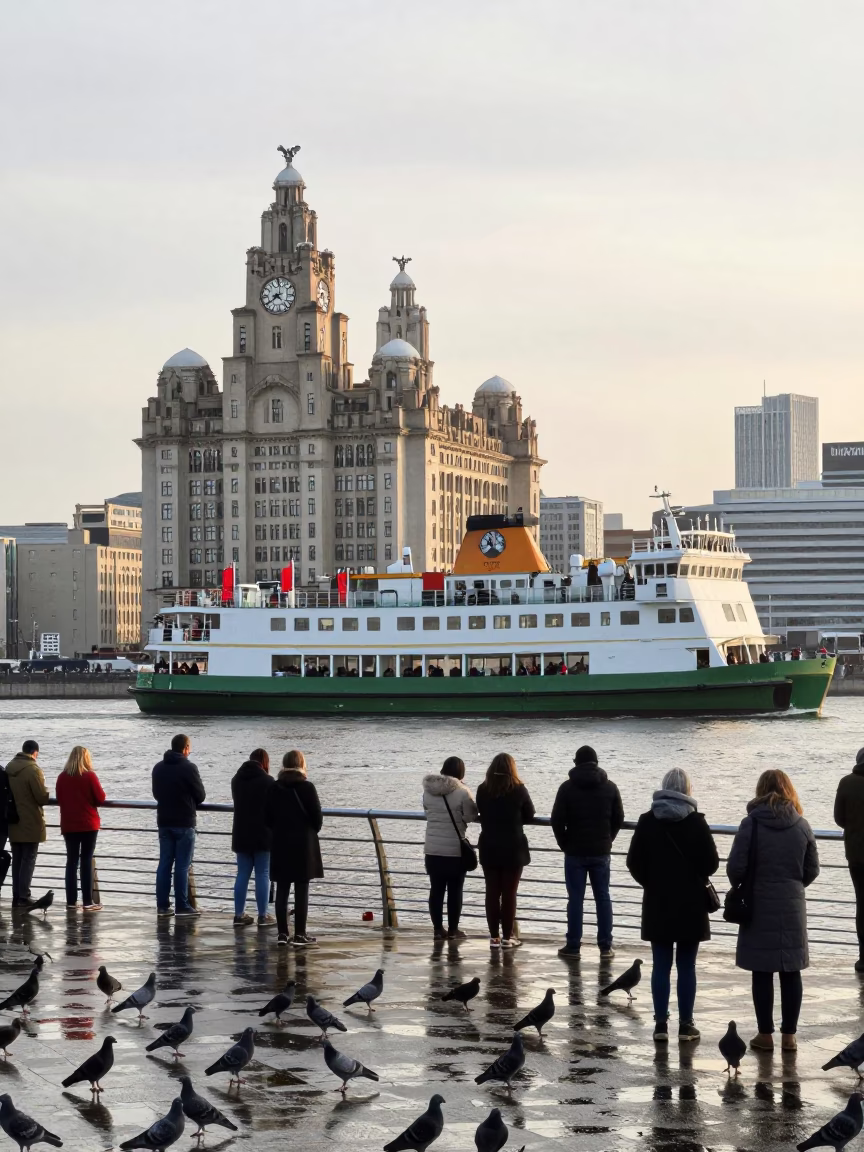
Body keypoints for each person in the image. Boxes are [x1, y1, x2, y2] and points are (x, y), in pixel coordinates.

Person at [727, 769, 819, 1051]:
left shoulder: (751, 824)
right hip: (792, 904)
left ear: (760, 789)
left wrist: (748, 884)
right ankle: (789, 1037)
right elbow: (812, 869)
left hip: (758, 904)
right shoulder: (802, 825)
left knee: (762, 971)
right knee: (791, 971)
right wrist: (793, 886)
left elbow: (735, 868)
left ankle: (765, 1036)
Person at [626, 768, 719, 1041]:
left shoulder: (647, 820)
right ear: (688, 790)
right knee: (687, 966)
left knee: (661, 966)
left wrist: (651, 883)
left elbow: (633, 862)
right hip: (691, 904)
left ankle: (660, 1025)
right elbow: (711, 864)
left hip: (658, 902)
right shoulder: (696, 822)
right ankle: (686, 1025)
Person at [551, 745, 624, 959]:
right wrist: (608, 839)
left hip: (574, 851)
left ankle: (573, 946)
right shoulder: (610, 787)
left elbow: (556, 820)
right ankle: (605, 946)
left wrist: (564, 843)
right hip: (601, 851)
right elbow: (619, 818)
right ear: (597, 763)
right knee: (603, 897)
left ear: (576, 763)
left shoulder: (566, 788)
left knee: (575, 899)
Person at [476, 753, 535, 949]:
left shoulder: (483, 789)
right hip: (513, 846)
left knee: (492, 892)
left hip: (489, 845)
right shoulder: (519, 789)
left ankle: (494, 937)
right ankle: (508, 937)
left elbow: (480, 811)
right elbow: (530, 814)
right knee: (509, 893)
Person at [266, 750, 323, 947]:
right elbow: (317, 819)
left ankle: (282, 934)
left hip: (280, 843)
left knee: (282, 888)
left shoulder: (274, 788)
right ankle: (300, 934)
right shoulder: (307, 787)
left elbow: (267, 818)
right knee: (301, 888)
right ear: (301, 764)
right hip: (303, 845)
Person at [422, 757, 478, 941]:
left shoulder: (428, 791)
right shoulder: (462, 791)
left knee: (436, 890)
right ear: (461, 772)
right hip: (454, 849)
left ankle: (438, 930)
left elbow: (427, 812)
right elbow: (470, 816)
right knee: (455, 890)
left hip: (432, 849)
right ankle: (453, 930)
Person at [152, 734, 206, 917]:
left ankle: (162, 906)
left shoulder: (158, 768)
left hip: (164, 821)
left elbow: (156, 794)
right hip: (184, 821)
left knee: (164, 863)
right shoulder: (189, 768)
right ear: (185, 748)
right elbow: (200, 796)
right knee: (182, 866)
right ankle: (182, 906)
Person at [55, 746, 106, 911]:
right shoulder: (90, 776)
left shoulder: (62, 777)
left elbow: (60, 798)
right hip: (88, 824)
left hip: (69, 824)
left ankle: (71, 902)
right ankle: (87, 902)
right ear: (86, 759)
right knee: (86, 861)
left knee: (71, 862)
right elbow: (100, 798)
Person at [231, 748, 276, 927]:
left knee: (242, 874)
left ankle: (238, 915)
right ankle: (263, 915)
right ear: (265, 762)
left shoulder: (236, 780)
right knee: (262, 873)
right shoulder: (268, 781)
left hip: (241, 833)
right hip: (263, 834)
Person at [5, 740, 49, 908]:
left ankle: (16, 896)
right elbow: (41, 797)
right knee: (29, 858)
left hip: (13, 821)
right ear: (34, 752)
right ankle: (24, 896)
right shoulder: (33, 770)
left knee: (17, 859)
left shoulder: (9, 768)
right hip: (30, 821)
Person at [833, 748, 864, 971]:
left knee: (862, 904)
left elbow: (839, 818)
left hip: (857, 855)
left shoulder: (846, 783)